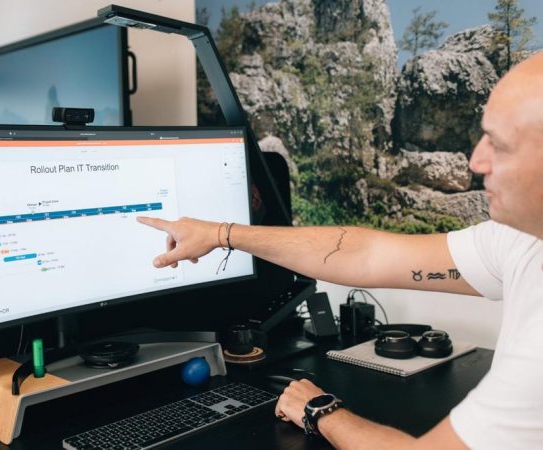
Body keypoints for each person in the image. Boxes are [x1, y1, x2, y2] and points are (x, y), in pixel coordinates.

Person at [137, 53, 543, 449]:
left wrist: (320, 410)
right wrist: (221, 233)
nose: (476, 161)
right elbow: (368, 254)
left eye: (499, 144)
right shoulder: (522, 240)